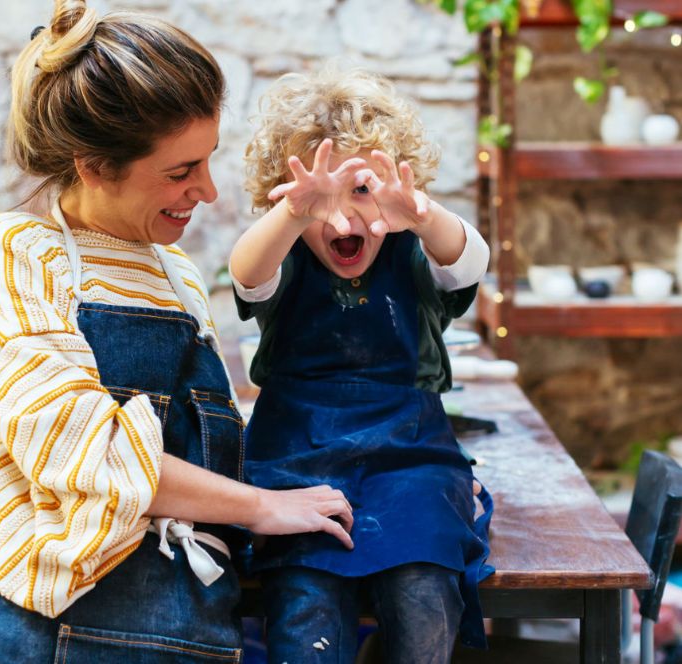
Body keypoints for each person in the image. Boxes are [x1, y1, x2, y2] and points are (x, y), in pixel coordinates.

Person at [0, 4, 354, 662]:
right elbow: (77, 449)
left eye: (207, 161)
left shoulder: (176, 274)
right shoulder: (18, 250)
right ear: (93, 165)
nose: (207, 191)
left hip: (180, 627)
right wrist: (259, 506)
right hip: (25, 629)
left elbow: (201, 451)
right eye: (179, 172)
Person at [229, 67, 495, 663]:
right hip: (298, 452)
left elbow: (470, 260)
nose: (343, 220)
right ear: (283, 197)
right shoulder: (282, 253)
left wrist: (423, 216)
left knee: (424, 585)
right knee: (306, 598)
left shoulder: (418, 249)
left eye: (362, 191)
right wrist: (292, 216)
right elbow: (246, 273)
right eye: (319, 200)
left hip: (409, 452)